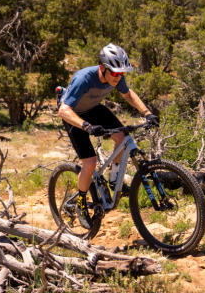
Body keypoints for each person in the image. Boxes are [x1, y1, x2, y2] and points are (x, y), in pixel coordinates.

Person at [57, 43, 158, 228]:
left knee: (124, 138)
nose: (119, 77)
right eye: (115, 73)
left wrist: (147, 113)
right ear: (103, 68)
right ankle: (80, 204)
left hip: (94, 109)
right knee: (90, 162)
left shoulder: (116, 76)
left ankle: (114, 180)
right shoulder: (84, 79)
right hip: (74, 115)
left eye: (122, 74)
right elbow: (63, 110)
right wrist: (86, 126)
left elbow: (128, 94)